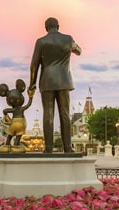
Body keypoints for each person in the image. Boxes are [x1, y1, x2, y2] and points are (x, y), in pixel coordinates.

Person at [29, 17, 81, 153]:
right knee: (65, 113)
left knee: (48, 114)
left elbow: (34, 65)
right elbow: (79, 51)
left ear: (46, 28)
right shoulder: (68, 39)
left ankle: (48, 148)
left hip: (47, 81)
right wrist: (70, 46)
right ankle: (68, 148)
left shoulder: (41, 42)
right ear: (58, 26)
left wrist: (32, 84)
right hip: (64, 80)